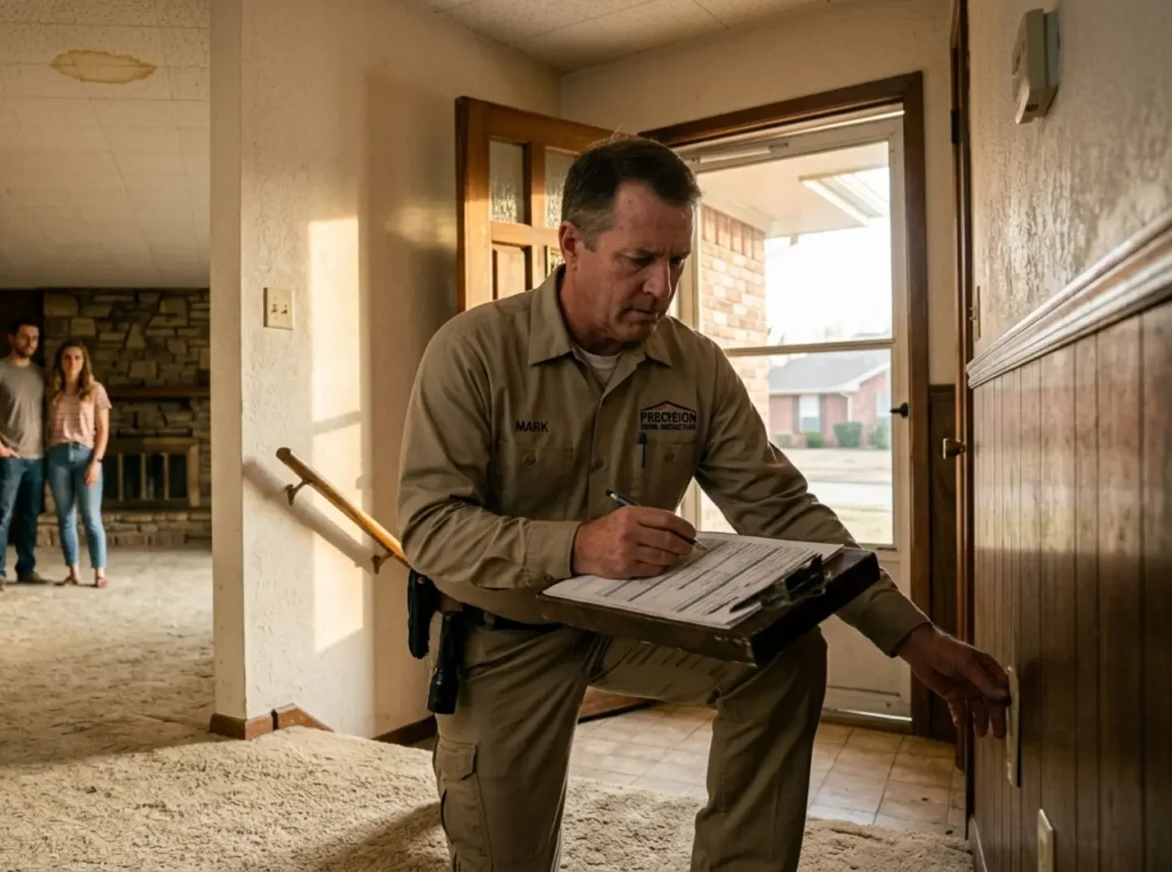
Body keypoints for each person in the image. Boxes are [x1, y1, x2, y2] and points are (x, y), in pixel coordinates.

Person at [396, 136, 1009, 872]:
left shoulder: (696, 366)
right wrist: (578, 546)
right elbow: (430, 528)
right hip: (504, 636)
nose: (661, 286)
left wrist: (911, 636)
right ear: (572, 244)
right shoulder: (470, 351)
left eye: (677, 261)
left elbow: (782, 509)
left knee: (785, 655)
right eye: (638, 260)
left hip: (629, 621)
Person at [0, 318, 48, 590]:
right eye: (25, 337)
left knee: (30, 517)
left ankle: (26, 569)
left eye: (35, 338)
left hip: (37, 458)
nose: (30, 343)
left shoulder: (41, 375)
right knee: (1, 516)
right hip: (7, 459)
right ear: (11, 338)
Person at [44, 340, 112, 588]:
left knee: (91, 517)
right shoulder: (52, 390)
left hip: (86, 456)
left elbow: (103, 430)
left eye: (77, 357)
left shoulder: (95, 389)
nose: (72, 362)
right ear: (60, 362)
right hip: (58, 457)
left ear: (84, 362)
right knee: (65, 518)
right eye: (67, 357)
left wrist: (96, 461)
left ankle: (99, 572)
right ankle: (73, 571)